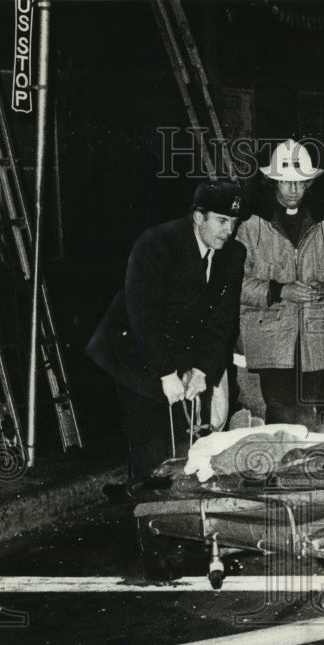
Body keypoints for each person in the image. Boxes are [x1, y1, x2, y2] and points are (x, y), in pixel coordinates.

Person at [86, 180, 247, 494]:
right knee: (154, 445)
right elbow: (145, 314)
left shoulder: (233, 254)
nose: (229, 231)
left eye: (234, 223)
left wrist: (202, 370)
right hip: (135, 350)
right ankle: (149, 520)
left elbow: (222, 321)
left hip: (180, 349)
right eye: (222, 221)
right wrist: (165, 373)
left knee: (189, 442)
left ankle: (183, 516)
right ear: (198, 217)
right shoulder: (157, 244)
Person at [236, 139, 324, 427]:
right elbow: (235, 282)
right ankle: (279, 467)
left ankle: (307, 468)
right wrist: (280, 290)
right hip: (269, 339)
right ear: (273, 181)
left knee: (310, 412)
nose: (293, 190)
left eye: (300, 183)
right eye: (286, 182)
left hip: (314, 337)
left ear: (309, 183)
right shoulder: (252, 222)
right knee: (279, 411)